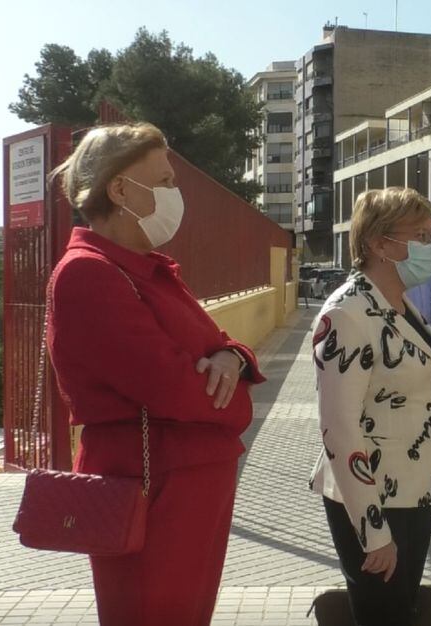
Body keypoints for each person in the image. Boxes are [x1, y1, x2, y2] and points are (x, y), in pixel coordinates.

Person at [47, 123, 264, 626]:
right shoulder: (90, 273)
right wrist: (239, 398)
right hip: (153, 491)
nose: (175, 194)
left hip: (184, 483)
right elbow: (175, 387)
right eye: (164, 181)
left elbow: (217, 343)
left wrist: (233, 359)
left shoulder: (146, 268)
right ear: (119, 188)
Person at [309, 187, 431, 626]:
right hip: (373, 499)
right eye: (420, 234)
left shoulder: (401, 304)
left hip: (414, 491)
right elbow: (340, 427)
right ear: (378, 244)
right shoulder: (347, 313)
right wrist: (373, 533)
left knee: (399, 613)